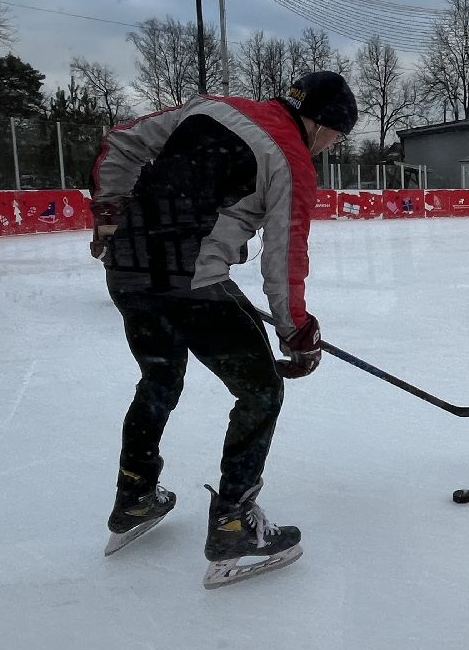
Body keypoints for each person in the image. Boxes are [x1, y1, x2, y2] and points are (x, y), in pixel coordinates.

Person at [89, 71, 357, 587]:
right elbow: (284, 258)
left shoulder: (212, 107)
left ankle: (135, 497)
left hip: (127, 272)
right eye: (335, 138)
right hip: (194, 286)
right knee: (260, 390)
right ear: (323, 125)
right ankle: (234, 522)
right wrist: (296, 332)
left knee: (160, 380)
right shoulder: (291, 160)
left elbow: (121, 142)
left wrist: (110, 211)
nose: (328, 149)